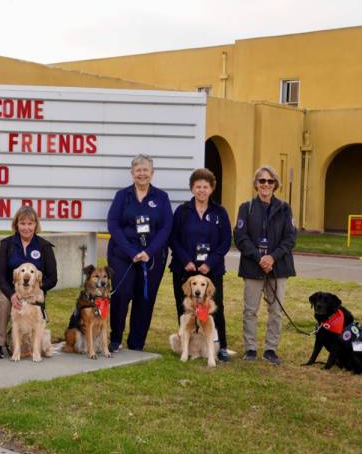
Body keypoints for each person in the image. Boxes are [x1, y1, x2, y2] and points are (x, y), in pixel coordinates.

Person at [107, 154, 173, 352]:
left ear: (152, 173)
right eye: (138, 170)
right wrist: (131, 251)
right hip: (123, 256)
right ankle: (115, 338)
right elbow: (113, 224)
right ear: (132, 173)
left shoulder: (161, 197)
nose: (142, 174)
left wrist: (149, 252)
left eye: (145, 170)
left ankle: (136, 343)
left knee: (145, 299)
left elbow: (166, 228)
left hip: (151, 258)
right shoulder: (122, 196)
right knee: (121, 295)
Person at [233, 165, 296, 365]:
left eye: (270, 181)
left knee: (276, 311)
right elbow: (240, 237)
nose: (266, 185)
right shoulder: (246, 208)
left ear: (275, 184)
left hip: (278, 267)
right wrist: (259, 258)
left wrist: (272, 258)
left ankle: (270, 349)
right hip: (253, 266)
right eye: (262, 181)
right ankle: (250, 348)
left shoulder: (285, 208)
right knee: (250, 310)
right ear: (256, 184)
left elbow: (290, 238)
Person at [169, 168, 232, 361]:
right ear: (192, 188)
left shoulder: (220, 212)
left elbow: (225, 241)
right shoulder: (182, 211)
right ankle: (187, 346)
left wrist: (209, 263)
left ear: (212, 189)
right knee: (186, 308)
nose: (202, 190)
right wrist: (186, 260)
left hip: (211, 270)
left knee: (215, 307)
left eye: (206, 187)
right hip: (184, 268)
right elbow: (173, 238)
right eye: (198, 187)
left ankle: (219, 346)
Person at [0, 205, 57, 359]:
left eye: (30, 223)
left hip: (35, 291)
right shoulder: (6, 244)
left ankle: (34, 346)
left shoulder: (44, 246)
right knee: (5, 301)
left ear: (35, 225)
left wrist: (38, 289)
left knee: (35, 312)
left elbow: (53, 278)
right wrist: (12, 294)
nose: (26, 227)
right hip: (8, 288)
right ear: (16, 225)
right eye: (22, 223)